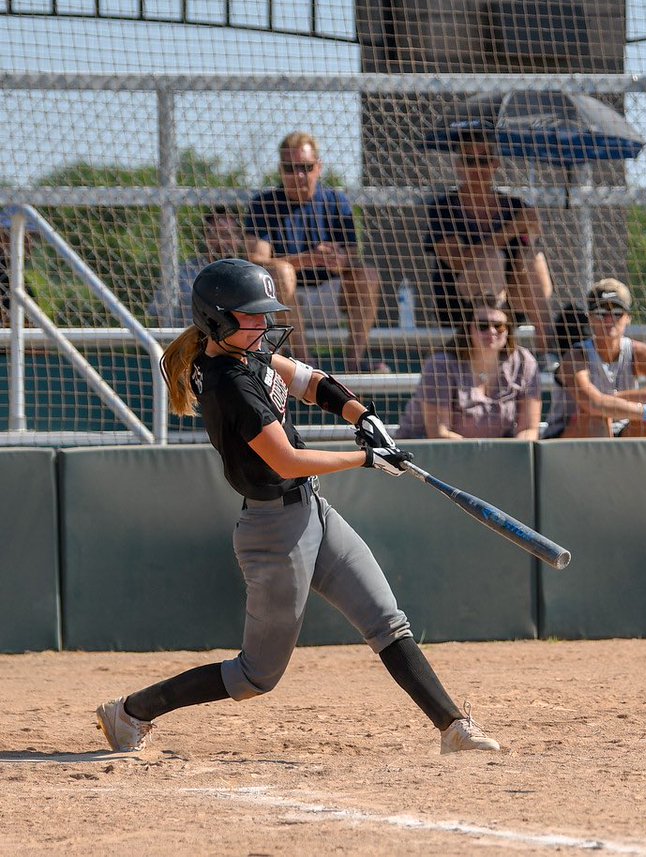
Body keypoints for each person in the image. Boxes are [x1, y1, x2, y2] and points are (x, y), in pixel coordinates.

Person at [94, 258, 499, 756]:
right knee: (254, 676)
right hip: (274, 533)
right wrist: (366, 458)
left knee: (387, 621)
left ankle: (453, 728)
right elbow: (286, 460)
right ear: (217, 320)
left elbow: (309, 380)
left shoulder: (244, 350)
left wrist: (362, 416)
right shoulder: (228, 384)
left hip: (313, 511)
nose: (263, 324)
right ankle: (131, 711)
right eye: (250, 315)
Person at [246, 132, 386, 372]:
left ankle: (355, 362)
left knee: (368, 275)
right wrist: (308, 259)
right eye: (291, 168)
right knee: (281, 272)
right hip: (283, 301)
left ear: (319, 168)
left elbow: (352, 255)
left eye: (306, 167)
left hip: (330, 295)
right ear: (280, 170)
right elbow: (256, 260)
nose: (299, 175)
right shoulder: (264, 204)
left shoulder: (335, 201)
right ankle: (304, 361)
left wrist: (339, 260)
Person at [424, 131, 556, 354]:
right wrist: (511, 229)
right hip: (461, 302)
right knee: (492, 259)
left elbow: (526, 253)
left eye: (484, 160)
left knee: (533, 258)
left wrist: (531, 232)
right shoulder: (444, 208)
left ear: (495, 164)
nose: (477, 167)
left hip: (513, 300)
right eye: (470, 161)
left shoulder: (514, 207)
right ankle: (494, 345)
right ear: (458, 165)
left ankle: (546, 345)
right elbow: (456, 261)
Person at [543, 279, 646, 439]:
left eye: (617, 313)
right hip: (567, 439)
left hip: (620, 429)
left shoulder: (642, 352)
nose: (609, 320)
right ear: (590, 317)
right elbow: (593, 403)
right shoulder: (576, 356)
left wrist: (613, 398)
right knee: (596, 417)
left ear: (628, 317)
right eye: (601, 313)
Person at [399, 299, 541, 440]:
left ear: (508, 329)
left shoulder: (524, 362)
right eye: (482, 325)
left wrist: (513, 450)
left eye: (499, 326)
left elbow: (529, 429)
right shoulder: (440, 365)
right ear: (468, 328)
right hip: (423, 449)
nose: (491, 331)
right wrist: (481, 452)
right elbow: (438, 433)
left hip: (497, 451)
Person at [149, 205, 245, 327]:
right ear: (205, 237)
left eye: (227, 235)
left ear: (239, 237)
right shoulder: (183, 274)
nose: (221, 242)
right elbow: (157, 313)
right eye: (215, 234)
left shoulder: (249, 274)